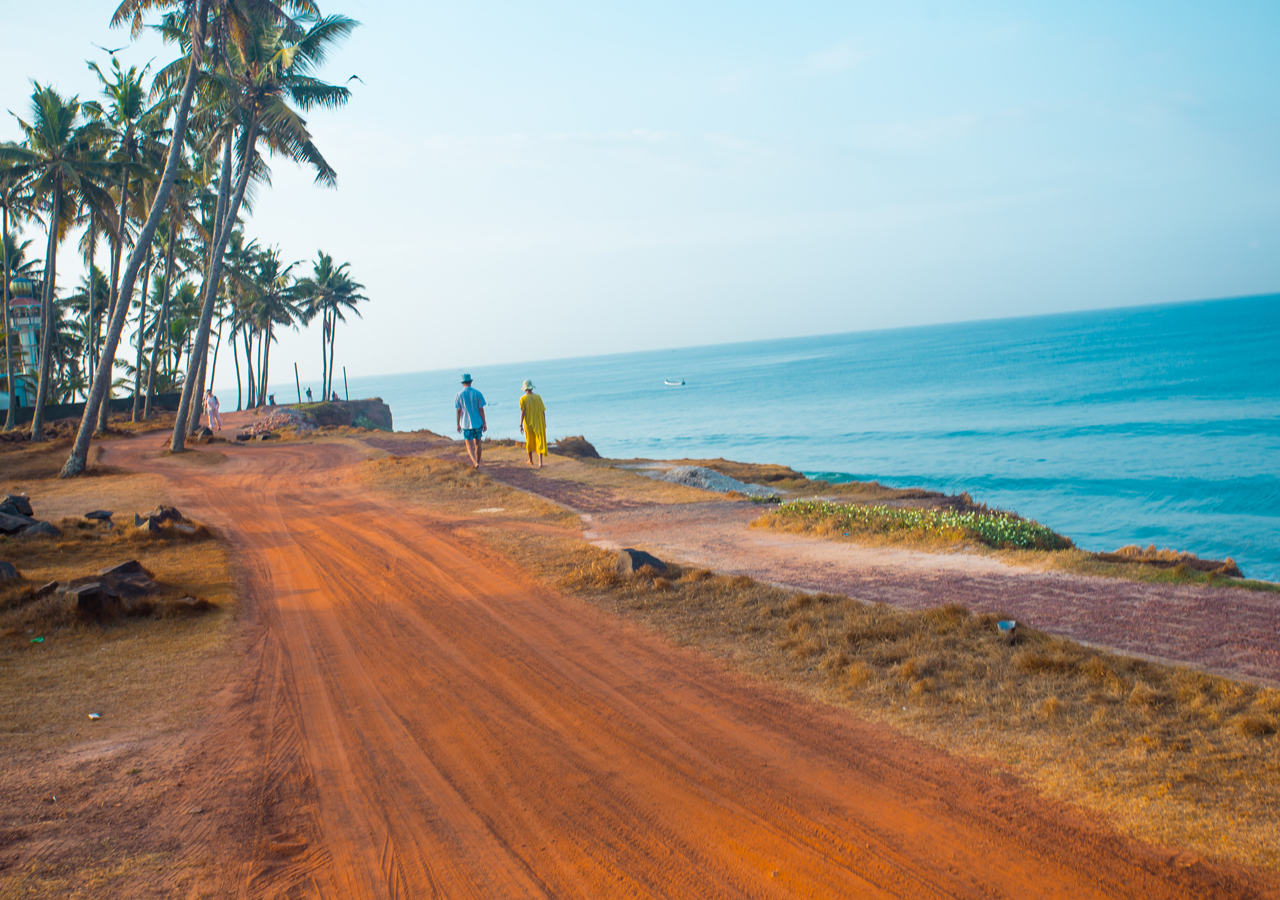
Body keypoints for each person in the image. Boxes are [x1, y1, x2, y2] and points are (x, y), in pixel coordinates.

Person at [454, 373, 487, 468]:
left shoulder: (458, 395)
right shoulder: (478, 393)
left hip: (465, 423)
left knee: (469, 445)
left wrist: (457, 424)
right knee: (478, 444)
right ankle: (478, 462)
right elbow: (481, 409)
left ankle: (475, 462)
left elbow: (458, 411)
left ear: (462, 383)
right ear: (471, 382)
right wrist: (484, 423)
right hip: (478, 422)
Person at [518, 379, 547, 468]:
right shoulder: (538, 397)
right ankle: (540, 462)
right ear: (531, 388)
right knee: (540, 440)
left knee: (529, 441)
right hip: (538, 422)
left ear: (525, 389)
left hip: (528, 423)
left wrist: (520, 424)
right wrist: (544, 422)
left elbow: (522, 412)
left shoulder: (523, 399)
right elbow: (543, 411)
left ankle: (531, 461)